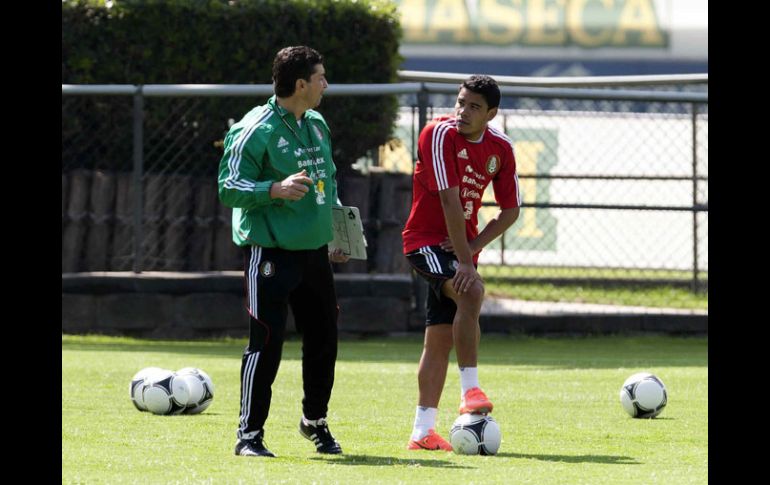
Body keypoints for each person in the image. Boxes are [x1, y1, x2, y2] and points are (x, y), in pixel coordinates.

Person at [218, 46, 349, 458]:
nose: (326, 85)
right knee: (267, 341)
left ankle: (315, 422)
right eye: (321, 78)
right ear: (300, 84)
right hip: (270, 254)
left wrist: (337, 231)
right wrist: (272, 189)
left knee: (325, 338)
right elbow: (227, 187)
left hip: (315, 254)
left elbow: (328, 179)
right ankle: (249, 436)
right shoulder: (253, 128)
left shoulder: (317, 124)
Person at [401, 75, 521, 451]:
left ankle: (422, 432)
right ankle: (471, 391)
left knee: (437, 340)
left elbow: (511, 210)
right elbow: (450, 202)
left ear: (491, 113)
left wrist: (470, 247)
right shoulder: (437, 134)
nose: (463, 112)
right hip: (424, 242)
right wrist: (467, 264)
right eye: (460, 102)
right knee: (473, 293)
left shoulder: (500, 147)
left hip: (457, 250)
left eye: (474, 107)